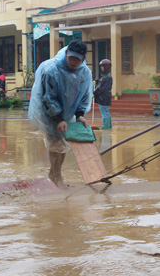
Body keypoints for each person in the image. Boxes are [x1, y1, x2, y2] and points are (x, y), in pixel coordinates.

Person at [28, 40, 93, 188]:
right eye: (71, 57)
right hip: (47, 112)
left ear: (83, 59)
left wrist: (79, 115)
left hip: (68, 112)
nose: (73, 61)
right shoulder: (51, 69)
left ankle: (54, 176)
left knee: (63, 144)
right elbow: (48, 97)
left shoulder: (85, 73)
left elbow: (85, 95)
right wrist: (58, 118)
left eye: (78, 59)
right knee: (55, 143)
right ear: (66, 54)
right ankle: (57, 178)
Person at [94, 59, 113, 129]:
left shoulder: (107, 77)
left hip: (104, 98)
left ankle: (106, 126)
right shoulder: (105, 76)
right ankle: (108, 125)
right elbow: (101, 84)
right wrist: (97, 81)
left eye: (103, 66)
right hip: (103, 97)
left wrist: (94, 93)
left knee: (104, 113)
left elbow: (101, 88)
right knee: (105, 112)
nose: (102, 68)